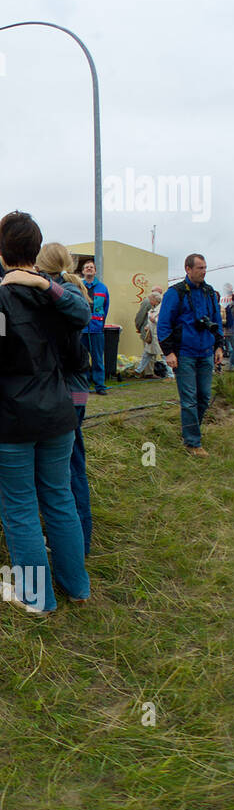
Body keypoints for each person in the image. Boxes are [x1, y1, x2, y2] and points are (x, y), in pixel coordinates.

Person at [0, 213, 90, 613]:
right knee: (59, 500)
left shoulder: (5, 299)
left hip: (14, 420)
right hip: (56, 413)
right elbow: (81, 321)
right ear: (35, 250)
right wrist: (45, 283)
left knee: (20, 509)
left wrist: (37, 282)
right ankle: (77, 587)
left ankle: (38, 598)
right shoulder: (55, 298)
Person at [155, 253, 224, 455]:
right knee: (189, 399)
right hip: (184, 353)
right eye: (199, 268)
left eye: (205, 267)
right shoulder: (175, 293)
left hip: (205, 352)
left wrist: (219, 346)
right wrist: (169, 352)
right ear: (188, 269)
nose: (204, 271)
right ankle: (192, 442)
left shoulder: (209, 292)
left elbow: (216, 322)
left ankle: (189, 431)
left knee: (204, 397)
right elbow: (164, 324)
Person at [77, 255, 109, 394]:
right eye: (86, 267)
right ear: (83, 272)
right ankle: (83, 384)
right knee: (81, 359)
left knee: (97, 358)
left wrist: (101, 324)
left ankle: (100, 386)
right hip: (81, 329)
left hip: (96, 329)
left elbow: (106, 307)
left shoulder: (102, 288)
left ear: (95, 271)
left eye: (91, 267)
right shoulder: (78, 287)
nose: (89, 269)